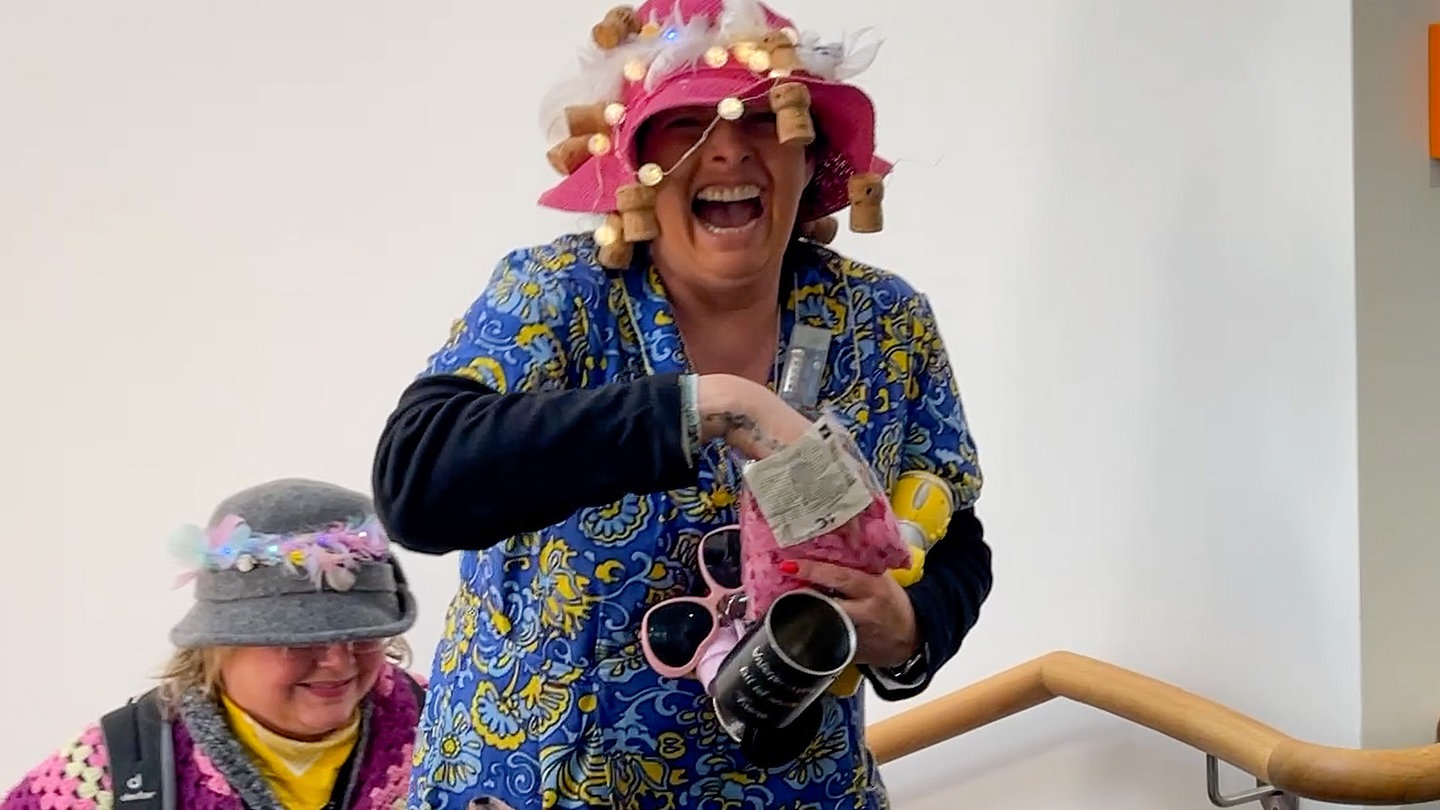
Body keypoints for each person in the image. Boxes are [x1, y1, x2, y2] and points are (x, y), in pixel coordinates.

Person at [372, 0, 993, 806]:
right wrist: (709, 407)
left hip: (796, 790)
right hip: (541, 785)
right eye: (685, 125)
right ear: (634, 164)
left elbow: (953, 531)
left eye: (766, 117)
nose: (728, 147)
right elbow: (418, 479)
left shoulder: (883, 322)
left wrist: (909, 627)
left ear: (810, 157)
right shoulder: (559, 295)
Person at [0, 478, 449, 810]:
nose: (337, 660)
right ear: (220, 644)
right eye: (300, 641)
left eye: (362, 634)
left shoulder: (448, 725)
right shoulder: (117, 772)